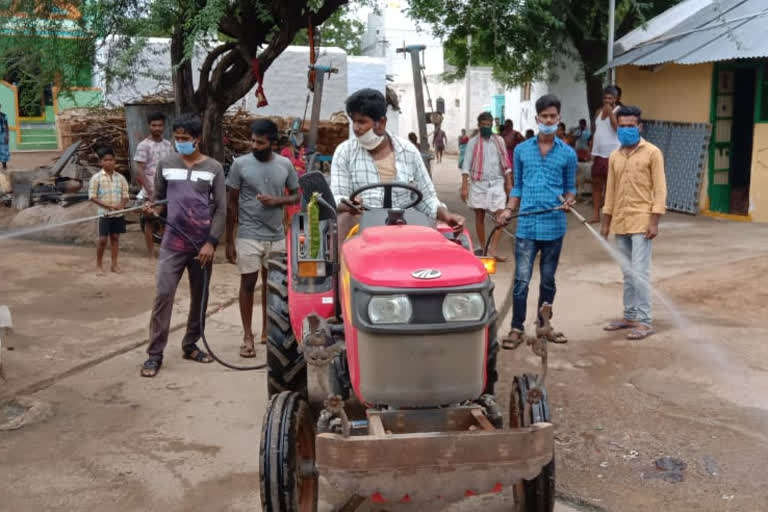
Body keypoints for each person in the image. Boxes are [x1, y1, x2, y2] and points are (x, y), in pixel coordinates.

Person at [140, 113, 226, 378]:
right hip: (172, 243)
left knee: (200, 298)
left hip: (202, 245)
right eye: (177, 138)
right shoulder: (166, 164)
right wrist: (153, 209)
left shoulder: (213, 168)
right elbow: (160, 199)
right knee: (163, 295)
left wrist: (211, 242)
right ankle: (154, 354)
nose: (180, 143)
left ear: (197, 139)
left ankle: (190, 345)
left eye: (185, 139)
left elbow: (222, 209)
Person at [331, 88, 465, 247]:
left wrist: (446, 214)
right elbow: (338, 195)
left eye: (361, 122)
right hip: (361, 227)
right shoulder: (344, 152)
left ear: (381, 123)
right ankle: (341, 270)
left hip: (404, 226)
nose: (355, 128)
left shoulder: (408, 152)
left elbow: (427, 197)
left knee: (437, 243)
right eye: (354, 121)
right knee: (343, 219)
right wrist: (346, 203)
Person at [497, 94, 577, 348]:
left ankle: (544, 326)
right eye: (544, 116)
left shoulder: (568, 154)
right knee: (521, 280)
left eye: (553, 116)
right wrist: (509, 209)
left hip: (555, 226)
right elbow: (518, 186)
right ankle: (516, 329)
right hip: (527, 227)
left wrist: (569, 200)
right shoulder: (521, 151)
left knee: (548, 280)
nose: (548, 120)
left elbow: (570, 188)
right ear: (537, 118)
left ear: (559, 119)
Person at [226, 120, 300, 358]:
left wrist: (277, 201)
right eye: (253, 140)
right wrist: (229, 239)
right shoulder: (239, 165)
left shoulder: (285, 165)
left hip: (276, 235)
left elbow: (297, 195)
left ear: (272, 143)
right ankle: (247, 335)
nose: (254, 145)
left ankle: (269, 332)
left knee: (275, 287)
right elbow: (231, 203)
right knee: (248, 284)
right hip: (248, 234)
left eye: (260, 142)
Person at [601, 105, 667, 341]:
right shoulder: (615, 156)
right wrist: (606, 222)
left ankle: (645, 320)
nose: (626, 129)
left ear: (640, 126)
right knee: (627, 272)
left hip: (642, 221)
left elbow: (660, 189)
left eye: (631, 126)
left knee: (640, 272)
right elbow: (611, 190)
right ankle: (629, 316)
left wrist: (655, 221)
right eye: (622, 126)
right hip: (620, 221)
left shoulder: (652, 153)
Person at [461, 112, 512, 261]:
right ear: (479, 125)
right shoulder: (473, 142)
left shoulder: (499, 141)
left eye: (488, 125)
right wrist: (464, 186)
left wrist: (509, 182)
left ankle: (493, 249)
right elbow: (466, 165)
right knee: (479, 215)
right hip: (479, 183)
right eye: (483, 125)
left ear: (492, 125)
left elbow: (506, 162)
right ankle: (484, 248)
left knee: (502, 217)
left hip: (497, 183)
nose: (486, 127)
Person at [134, 111, 173, 258]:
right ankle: (150, 253)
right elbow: (140, 170)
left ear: (164, 126)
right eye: (154, 125)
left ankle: (164, 251)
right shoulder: (143, 145)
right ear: (149, 126)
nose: (157, 128)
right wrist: (149, 191)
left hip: (167, 189)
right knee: (149, 221)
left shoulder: (168, 144)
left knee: (166, 220)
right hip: (150, 190)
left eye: (160, 125)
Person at [88, 146, 129, 274]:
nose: (109, 162)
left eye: (111, 160)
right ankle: (99, 266)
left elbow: (125, 195)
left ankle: (114, 265)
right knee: (102, 240)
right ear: (100, 162)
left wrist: (121, 205)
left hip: (118, 214)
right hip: (104, 214)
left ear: (115, 161)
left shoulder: (121, 178)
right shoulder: (96, 178)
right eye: (105, 160)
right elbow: (92, 197)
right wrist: (108, 206)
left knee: (115, 238)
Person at [590, 85, 621, 224]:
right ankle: (596, 214)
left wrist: (611, 114)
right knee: (596, 184)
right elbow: (597, 131)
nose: (608, 100)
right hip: (598, 154)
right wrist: (592, 149)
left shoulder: (620, 111)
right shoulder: (598, 111)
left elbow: (617, 129)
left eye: (611, 98)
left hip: (613, 154)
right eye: (605, 98)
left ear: (616, 98)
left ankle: (610, 215)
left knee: (611, 186)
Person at [0, 103, 9, 170]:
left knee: (4, 149)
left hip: (2, 134)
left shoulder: (3, 115)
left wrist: (7, 135)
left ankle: (4, 165)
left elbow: (6, 126)